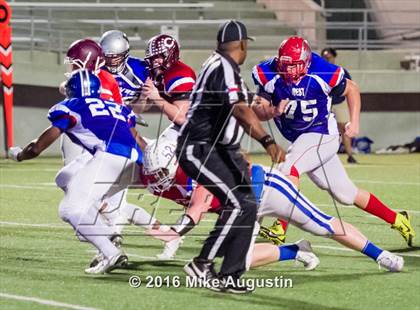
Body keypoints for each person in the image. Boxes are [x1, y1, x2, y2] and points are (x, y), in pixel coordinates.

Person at [251, 36, 415, 247]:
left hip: (323, 134)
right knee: (346, 194)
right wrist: (272, 110)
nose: (289, 71)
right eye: (286, 66)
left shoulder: (322, 71)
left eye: (294, 66)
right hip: (303, 139)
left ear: (306, 61)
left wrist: (354, 123)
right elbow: (259, 111)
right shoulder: (269, 72)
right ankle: (398, 218)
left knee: (288, 168)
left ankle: (279, 229)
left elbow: (352, 88)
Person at [143, 144, 403, 273]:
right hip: (243, 207)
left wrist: (173, 231)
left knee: (323, 226)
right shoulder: (173, 175)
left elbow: (197, 210)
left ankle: (381, 255)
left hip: (267, 190)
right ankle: (295, 251)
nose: (159, 178)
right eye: (155, 174)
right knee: (239, 262)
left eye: (161, 172)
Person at [177, 20, 285, 294]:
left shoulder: (219, 66)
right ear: (242, 45)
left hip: (218, 148)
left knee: (248, 203)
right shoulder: (223, 67)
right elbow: (238, 109)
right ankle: (202, 263)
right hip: (199, 147)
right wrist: (267, 140)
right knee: (238, 202)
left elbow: (237, 107)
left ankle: (230, 274)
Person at [8, 70, 142, 274]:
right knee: (65, 178)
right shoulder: (118, 107)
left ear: (72, 91)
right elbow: (137, 138)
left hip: (109, 157)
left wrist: (19, 155)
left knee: (70, 209)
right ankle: (105, 233)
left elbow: (37, 147)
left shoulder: (70, 107)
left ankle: (110, 250)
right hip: (135, 163)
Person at [59, 38, 123, 165]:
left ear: (89, 63)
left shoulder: (104, 81)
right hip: (103, 133)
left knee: (73, 174)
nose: (71, 66)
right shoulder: (107, 78)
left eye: (75, 63)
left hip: (91, 131)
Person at [135, 34, 196, 141]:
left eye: (158, 56)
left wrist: (156, 97)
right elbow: (143, 108)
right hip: (186, 125)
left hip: (200, 126)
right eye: (153, 57)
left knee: (159, 154)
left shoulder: (179, 73)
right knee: (154, 152)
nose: (154, 61)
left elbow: (182, 118)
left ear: (170, 55)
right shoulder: (159, 74)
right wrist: (143, 97)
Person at [99, 30, 149, 126]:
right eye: (108, 57)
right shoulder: (96, 68)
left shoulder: (140, 68)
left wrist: (143, 99)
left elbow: (149, 102)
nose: (112, 61)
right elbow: (66, 87)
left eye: (116, 57)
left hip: (126, 121)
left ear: (125, 54)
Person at [321, 47, 357, 164]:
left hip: (339, 102)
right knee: (324, 130)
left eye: (329, 57)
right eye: (324, 57)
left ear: (334, 57)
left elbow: (350, 87)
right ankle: (326, 157)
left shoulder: (340, 71)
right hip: (324, 104)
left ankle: (350, 154)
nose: (326, 60)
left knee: (344, 127)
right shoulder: (319, 71)